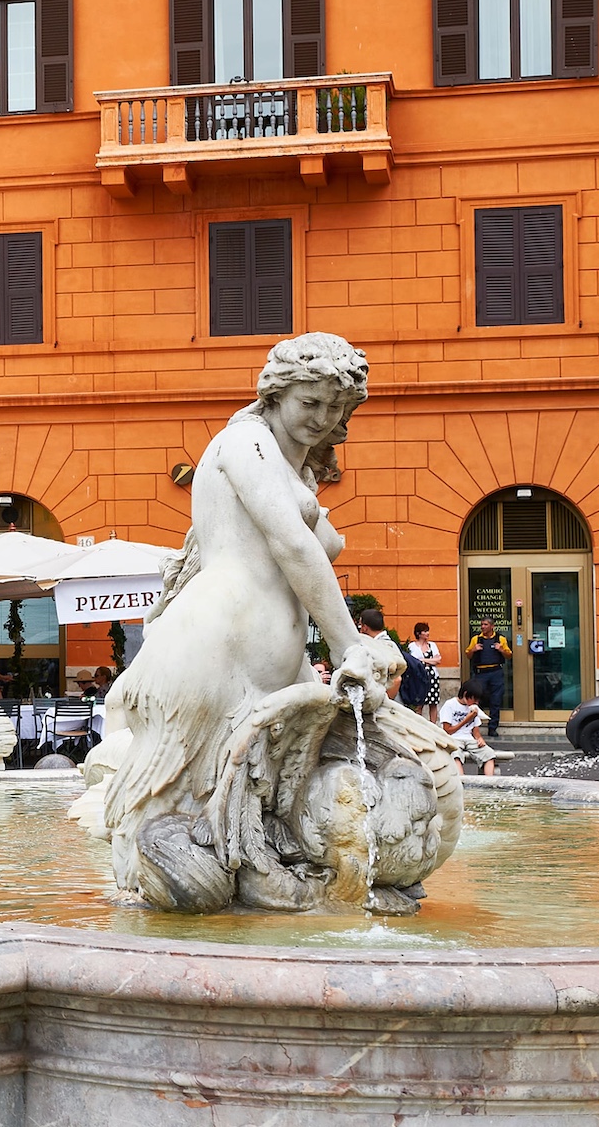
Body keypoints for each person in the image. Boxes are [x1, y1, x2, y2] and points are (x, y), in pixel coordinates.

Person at [100, 333, 370, 907]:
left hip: (266, 662)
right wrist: (350, 645)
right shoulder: (244, 443)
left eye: (335, 407)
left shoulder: (295, 468)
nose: (322, 419)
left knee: (264, 808)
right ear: (275, 394)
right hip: (214, 650)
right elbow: (293, 545)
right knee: (167, 813)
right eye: (310, 402)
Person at [438, 680, 501, 776]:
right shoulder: (450, 705)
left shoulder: (474, 708)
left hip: (469, 739)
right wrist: (466, 720)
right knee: (455, 755)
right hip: (454, 738)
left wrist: (480, 739)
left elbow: (475, 732)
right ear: (465, 694)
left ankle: (490, 782)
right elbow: (447, 731)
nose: (476, 702)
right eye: (474, 699)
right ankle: (462, 782)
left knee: (489, 754)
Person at [466, 618, 513, 737]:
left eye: (485, 624)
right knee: (477, 700)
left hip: (496, 672)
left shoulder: (500, 639)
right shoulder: (476, 639)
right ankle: (474, 727)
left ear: (492, 626)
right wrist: (473, 650)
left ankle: (492, 728)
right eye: (482, 624)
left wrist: (501, 650)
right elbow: (468, 655)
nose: (483, 627)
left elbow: (509, 655)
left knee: (496, 700)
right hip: (481, 673)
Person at [407, 622, 442, 719]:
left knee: (433, 703)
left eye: (428, 631)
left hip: (432, 677)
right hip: (419, 677)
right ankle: (418, 724)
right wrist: (431, 660)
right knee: (419, 703)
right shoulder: (412, 646)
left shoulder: (432, 645)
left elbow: (438, 660)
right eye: (425, 631)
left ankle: (433, 725)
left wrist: (423, 660)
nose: (427, 633)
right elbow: (414, 661)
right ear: (418, 633)